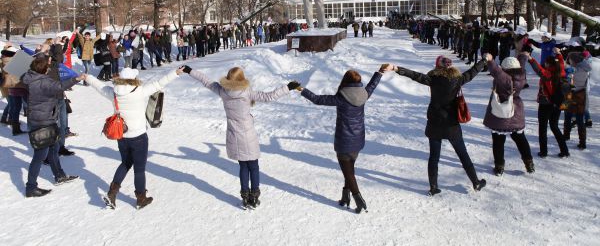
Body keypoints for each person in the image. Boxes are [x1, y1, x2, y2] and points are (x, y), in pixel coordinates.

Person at [181, 65, 296, 209]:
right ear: (242, 79)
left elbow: (206, 80)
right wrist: (288, 87)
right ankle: (254, 197)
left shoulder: (223, 91)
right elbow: (269, 96)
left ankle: (245, 197)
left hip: (234, 136)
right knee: (253, 167)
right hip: (248, 136)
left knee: (243, 167)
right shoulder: (246, 92)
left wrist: (190, 70)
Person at [298, 64, 392, 213]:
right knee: (349, 171)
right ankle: (345, 197)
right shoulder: (364, 94)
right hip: (358, 140)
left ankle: (359, 200)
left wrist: (300, 89)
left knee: (348, 173)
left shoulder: (341, 97)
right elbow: (372, 85)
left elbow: (316, 99)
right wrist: (380, 72)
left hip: (344, 141)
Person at [84, 67, 183, 209]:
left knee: (125, 163)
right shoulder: (139, 91)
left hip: (122, 135)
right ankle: (141, 198)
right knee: (139, 168)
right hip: (138, 136)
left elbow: (100, 87)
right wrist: (175, 73)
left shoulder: (114, 92)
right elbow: (159, 83)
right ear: (133, 79)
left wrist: (88, 77)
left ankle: (112, 193)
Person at [392, 56, 487, 195]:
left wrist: (396, 68)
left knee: (434, 157)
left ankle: (433, 187)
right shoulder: (458, 79)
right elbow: (472, 72)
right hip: (451, 124)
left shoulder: (433, 79)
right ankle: (476, 182)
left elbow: (414, 75)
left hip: (434, 123)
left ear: (437, 66)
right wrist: (484, 61)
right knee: (463, 154)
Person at [22, 55, 83, 197]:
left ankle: (59, 175)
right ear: (43, 70)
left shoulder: (28, 77)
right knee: (39, 156)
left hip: (39, 119)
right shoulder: (43, 82)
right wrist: (76, 79)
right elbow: (60, 86)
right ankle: (31, 187)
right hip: (44, 121)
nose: (49, 68)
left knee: (54, 148)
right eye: (47, 67)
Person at [482, 53, 534, 175]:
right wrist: (523, 56)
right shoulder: (521, 75)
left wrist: (490, 60)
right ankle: (529, 163)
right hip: (516, 112)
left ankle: (499, 167)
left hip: (500, 113)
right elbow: (521, 64)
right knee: (521, 139)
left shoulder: (504, 78)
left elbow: (496, 71)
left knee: (498, 142)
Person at [526, 48, 569, 158]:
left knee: (543, 128)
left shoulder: (547, 75)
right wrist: (559, 54)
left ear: (548, 64)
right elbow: (561, 62)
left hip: (546, 104)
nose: (544, 64)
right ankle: (564, 150)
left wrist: (530, 59)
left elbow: (538, 69)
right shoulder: (562, 72)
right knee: (554, 126)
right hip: (558, 104)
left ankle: (543, 152)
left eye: (546, 63)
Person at [563, 52, 591, 150]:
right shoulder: (585, 69)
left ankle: (566, 136)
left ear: (573, 60)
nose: (568, 61)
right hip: (581, 95)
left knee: (567, 116)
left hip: (570, 95)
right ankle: (582, 142)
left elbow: (566, 84)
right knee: (580, 119)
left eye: (570, 59)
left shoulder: (572, 71)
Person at [1, 46, 27, 134]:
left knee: (14, 106)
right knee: (17, 106)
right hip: (17, 86)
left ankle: (13, 124)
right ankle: (14, 125)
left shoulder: (5, 60)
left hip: (11, 87)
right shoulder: (12, 62)